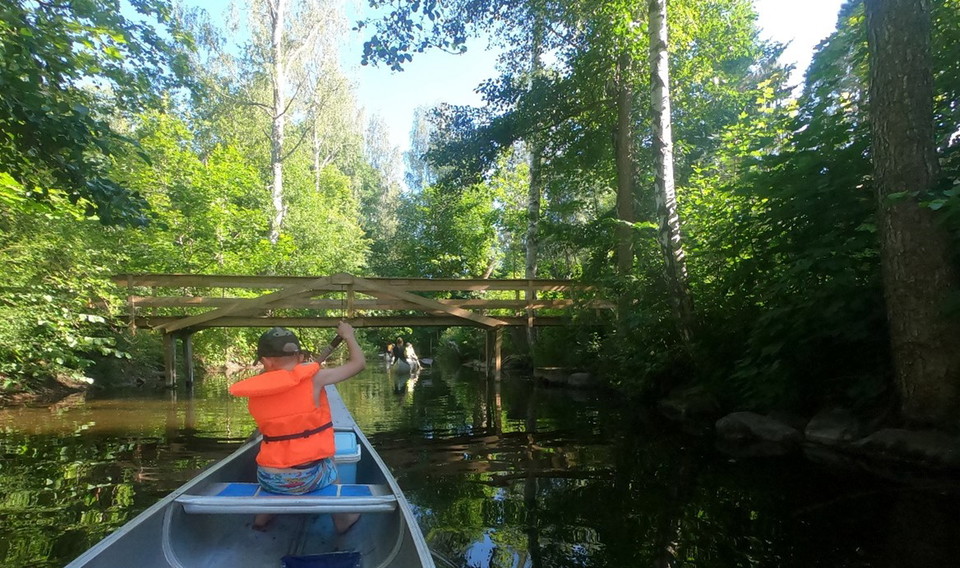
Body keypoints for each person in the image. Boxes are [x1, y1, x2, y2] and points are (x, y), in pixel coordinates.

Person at [228, 322, 365, 533]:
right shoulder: (316, 378)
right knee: (328, 460)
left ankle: (261, 519)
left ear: (265, 361)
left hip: (269, 479)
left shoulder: (257, 389)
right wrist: (348, 336)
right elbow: (358, 364)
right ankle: (343, 519)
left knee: (275, 457)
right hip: (307, 479)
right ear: (300, 357)